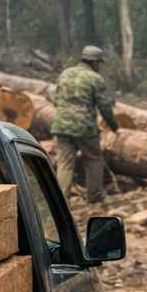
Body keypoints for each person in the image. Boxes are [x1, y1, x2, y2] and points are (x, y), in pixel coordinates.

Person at [51, 45, 120, 203]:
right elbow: (104, 106)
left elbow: (56, 99)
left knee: (65, 163)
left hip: (61, 125)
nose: (99, 67)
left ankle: (61, 201)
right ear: (95, 62)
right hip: (84, 127)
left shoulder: (65, 73)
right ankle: (94, 195)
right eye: (99, 64)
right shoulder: (95, 78)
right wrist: (114, 126)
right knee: (94, 159)